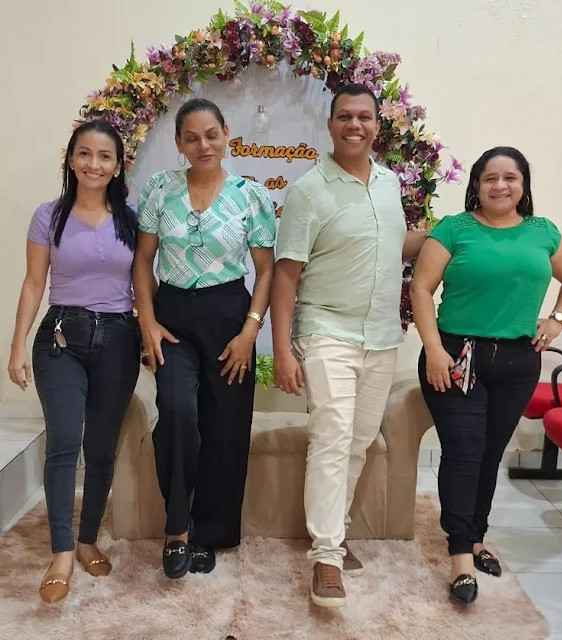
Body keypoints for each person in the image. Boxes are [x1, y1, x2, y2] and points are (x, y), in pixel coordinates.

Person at [271, 83, 428, 608]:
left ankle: (333, 534)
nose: (354, 125)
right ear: (330, 124)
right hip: (325, 332)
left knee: (359, 442)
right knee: (333, 437)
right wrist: (283, 349)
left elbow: (391, 247)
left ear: (377, 126)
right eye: (344, 116)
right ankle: (326, 557)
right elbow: (286, 274)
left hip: (381, 337)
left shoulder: (389, 183)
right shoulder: (308, 190)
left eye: (364, 117)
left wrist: (442, 234)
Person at [410, 146, 562, 605]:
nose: (500, 185)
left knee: (489, 453)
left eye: (510, 177)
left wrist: (557, 318)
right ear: (476, 184)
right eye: (490, 178)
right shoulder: (454, 228)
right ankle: (460, 555)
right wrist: (434, 350)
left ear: (523, 185)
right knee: (463, 450)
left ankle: (476, 536)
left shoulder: (542, 232)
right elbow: (421, 288)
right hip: (457, 356)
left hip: (518, 361)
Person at [132, 98, 275, 579]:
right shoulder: (159, 189)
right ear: (179, 143)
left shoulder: (250, 196)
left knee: (225, 426)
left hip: (230, 314)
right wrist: (147, 321)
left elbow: (266, 270)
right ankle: (177, 528)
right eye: (191, 138)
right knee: (176, 411)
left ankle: (211, 533)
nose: (203, 145)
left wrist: (250, 330)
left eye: (211, 135)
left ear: (226, 134)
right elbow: (142, 260)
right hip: (172, 314)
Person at [8, 120, 140, 604]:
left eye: (105, 156)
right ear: (70, 159)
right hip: (62, 338)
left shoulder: (132, 219)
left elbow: (144, 284)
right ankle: (61, 551)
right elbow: (32, 283)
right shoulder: (49, 216)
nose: (93, 164)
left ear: (118, 166)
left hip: (119, 339)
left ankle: (87, 540)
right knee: (64, 441)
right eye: (84, 154)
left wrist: (150, 333)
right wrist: (17, 344)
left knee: (100, 447)